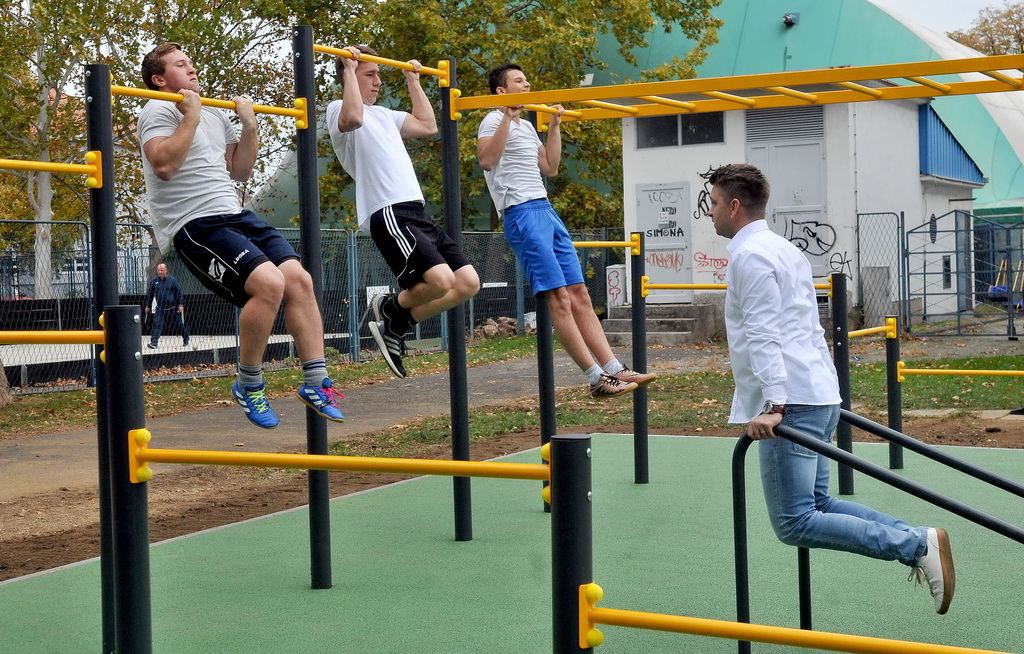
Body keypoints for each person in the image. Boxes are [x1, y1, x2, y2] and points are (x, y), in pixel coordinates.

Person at [708, 163, 955, 614]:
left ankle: (916, 545)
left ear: (735, 205)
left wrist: (774, 402)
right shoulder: (786, 249)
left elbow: (764, 334)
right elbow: (807, 327)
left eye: (714, 203)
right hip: (818, 393)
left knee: (794, 521)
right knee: (818, 503)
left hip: (793, 401)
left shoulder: (750, 256)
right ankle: (920, 540)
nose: (710, 212)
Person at [137, 43, 344, 428]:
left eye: (191, 61)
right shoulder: (158, 109)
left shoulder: (213, 111)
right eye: (181, 65)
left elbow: (241, 170)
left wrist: (250, 126)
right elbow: (164, 165)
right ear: (160, 79)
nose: (192, 68)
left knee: (299, 280)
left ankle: (317, 382)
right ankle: (249, 383)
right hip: (195, 224)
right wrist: (190, 116)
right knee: (269, 284)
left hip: (235, 214)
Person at [477, 63, 655, 399]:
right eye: (519, 80)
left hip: (546, 210)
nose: (527, 84)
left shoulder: (527, 127)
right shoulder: (491, 119)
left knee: (580, 294)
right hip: (520, 212)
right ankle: (596, 377)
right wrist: (506, 118)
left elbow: (551, 167)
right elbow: (486, 160)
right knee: (558, 298)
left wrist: (554, 126)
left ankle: (615, 368)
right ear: (501, 91)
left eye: (527, 79)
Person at [327, 45, 480, 379]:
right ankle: (390, 307)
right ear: (350, 76)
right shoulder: (338, 108)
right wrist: (349, 67)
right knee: (441, 280)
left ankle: (396, 322)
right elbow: (353, 119)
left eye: (379, 74)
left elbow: (427, 125)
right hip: (387, 210)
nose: (378, 81)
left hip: (415, 209)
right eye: (370, 74)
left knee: (468, 283)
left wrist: (413, 81)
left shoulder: (384, 115)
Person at [144, 262, 190, 349]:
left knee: (178, 325)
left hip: (172, 308)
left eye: (162, 270)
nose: (160, 272)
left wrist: (180, 304)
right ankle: (154, 343)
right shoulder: (154, 281)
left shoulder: (172, 280)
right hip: (160, 308)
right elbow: (150, 295)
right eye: (158, 270)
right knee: (157, 325)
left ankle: (186, 337)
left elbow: (179, 293)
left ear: (166, 270)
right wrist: (148, 306)